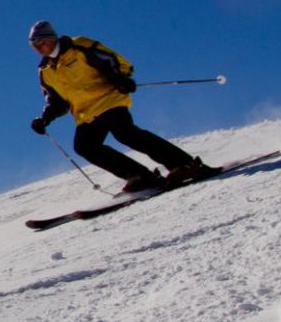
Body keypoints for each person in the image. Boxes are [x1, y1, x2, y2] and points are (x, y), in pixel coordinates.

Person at [27, 20, 214, 193]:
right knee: (84, 146)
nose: (39, 48)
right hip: (87, 114)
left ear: (52, 39)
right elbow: (57, 101)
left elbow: (112, 60)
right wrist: (45, 118)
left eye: (42, 42)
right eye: (35, 46)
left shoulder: (78, 46)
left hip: (109, 99)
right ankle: (140, 175)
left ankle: (183, 164)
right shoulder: (45, 72)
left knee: (125, 133)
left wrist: (120, 78)